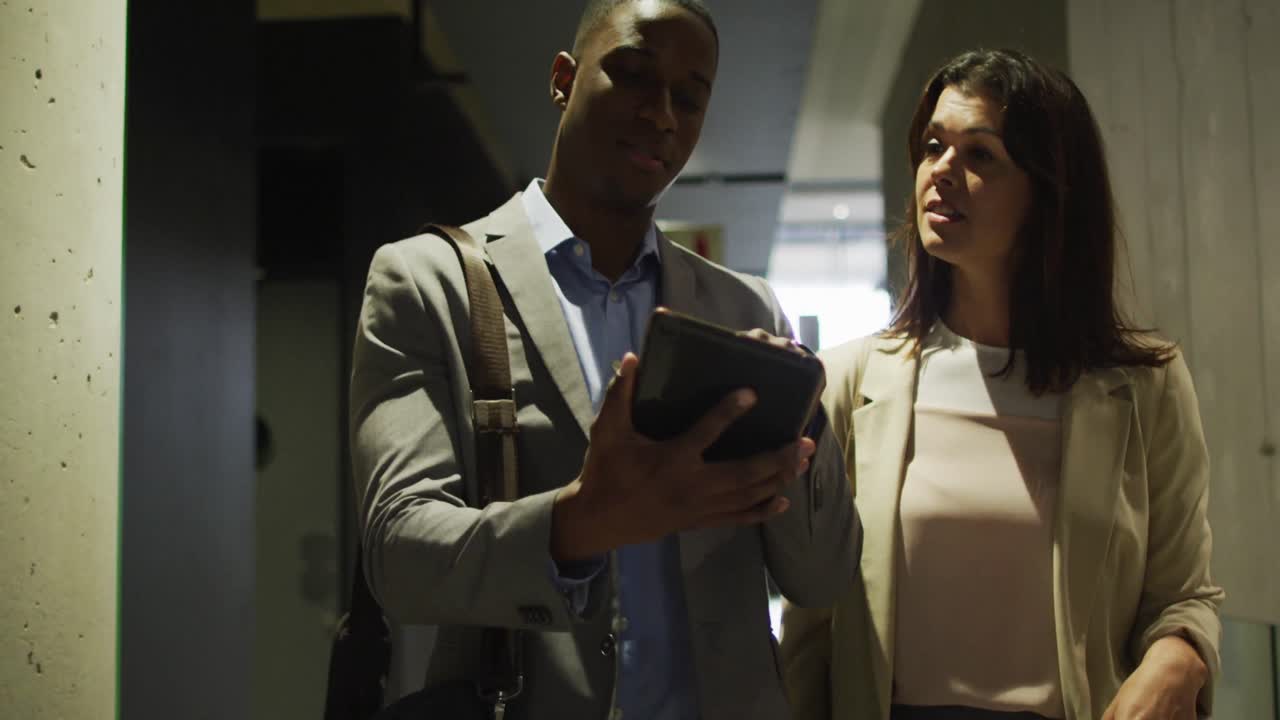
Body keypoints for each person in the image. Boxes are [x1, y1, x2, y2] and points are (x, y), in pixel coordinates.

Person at [348, 1, 861, 718]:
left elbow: (822, 575)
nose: (661, 115)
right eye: (632, 74)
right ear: (564, 78)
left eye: (689, 97)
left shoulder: (746, 313)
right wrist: (583, 521)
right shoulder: (428, 283)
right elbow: (400, 556)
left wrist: (804, 426)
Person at [779, 49, 1223, 720]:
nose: (942, 171)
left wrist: (1178, 657)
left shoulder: (1144, 389)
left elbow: (1184, 595)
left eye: (981, 155)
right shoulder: (849, 383)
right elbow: (812, 631)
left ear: (1048, 194)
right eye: (933, 146)